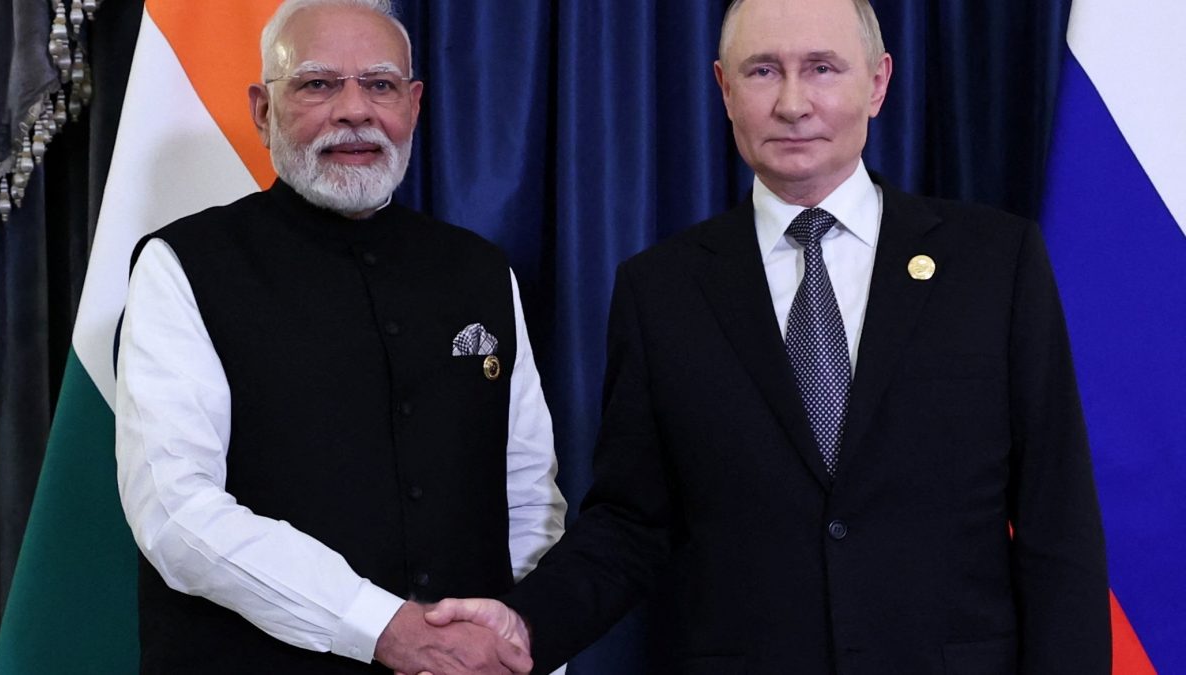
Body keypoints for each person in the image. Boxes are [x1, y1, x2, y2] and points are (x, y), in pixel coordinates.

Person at [426, 0, 1111, 672]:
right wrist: (525, 625)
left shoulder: (995, 262)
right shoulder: (660, 289)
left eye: (821, 68)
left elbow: (1058, 523)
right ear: (724, 89)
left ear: (877, 83)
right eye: (762, 71)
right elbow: (631, 525)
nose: (792, 103)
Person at [114, 1, 565, 673]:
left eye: (380, 84)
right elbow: (176, 513)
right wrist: (381, 626)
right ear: (263, 110)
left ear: (412, 105)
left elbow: (528, 496)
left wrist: (528, 645)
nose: (355, 110)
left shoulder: (479, 270)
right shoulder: (183, 265)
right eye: (317, 84)